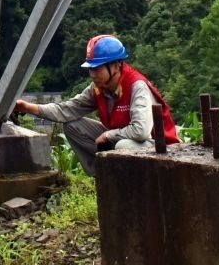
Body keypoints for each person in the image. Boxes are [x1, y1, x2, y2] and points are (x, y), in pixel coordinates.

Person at [13, 34, 179, 175]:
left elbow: (141, 131)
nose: (92, 74)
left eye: (97, 68)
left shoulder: (137, 86)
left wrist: (108, 136)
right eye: (91, 69)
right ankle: (102, 175)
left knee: (123, 146)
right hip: (127, 140)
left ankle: (131, 183)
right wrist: (26, 107)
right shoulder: (98, 88)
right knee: (72, 125)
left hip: (158, 146)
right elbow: (66, 110)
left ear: (116, 65)